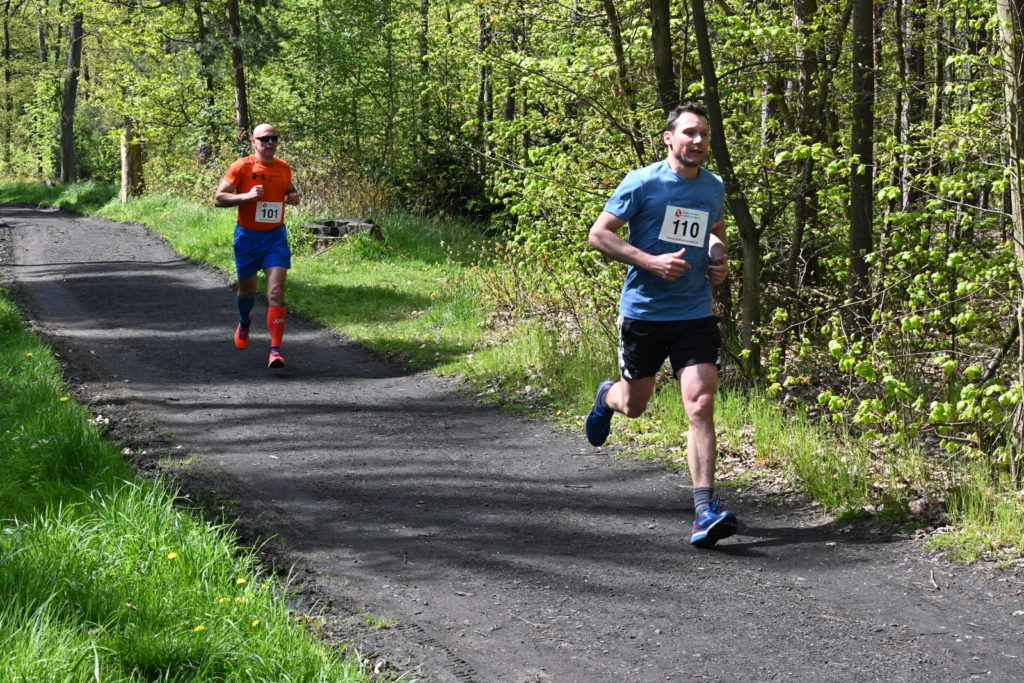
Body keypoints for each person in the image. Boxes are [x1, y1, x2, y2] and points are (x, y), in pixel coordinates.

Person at [585, 102, 737, 549]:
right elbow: (600, 234)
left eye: (704, 135)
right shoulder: (644, 182)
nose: (698, 141)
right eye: (689, 133)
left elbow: (716, 229)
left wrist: (718, 259)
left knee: (701, 404)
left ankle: (704, 510)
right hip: (645, 314)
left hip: (694, 313)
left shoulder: (712, 186)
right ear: (669, 138)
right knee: (634, 405)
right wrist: (649, 260)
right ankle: (606, 396)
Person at [214, 123, 300, 369]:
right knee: (247, 291)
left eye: (274, 138)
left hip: (275, 237)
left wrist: (293, 197)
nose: (270, 142)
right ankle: (244, 321)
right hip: (248, 238)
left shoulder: (284, 167)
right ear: (254, 142)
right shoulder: (242, 166)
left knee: (276, 292)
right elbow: (219, 199)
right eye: (264, 139)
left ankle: (275, 350)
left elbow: (289, 192)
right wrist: (246, 196)